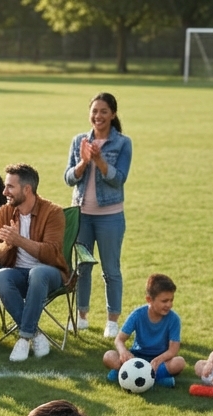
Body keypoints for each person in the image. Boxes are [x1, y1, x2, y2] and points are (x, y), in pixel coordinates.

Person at [64, 93, 132, 338]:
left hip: (110, 217)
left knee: (110, 270)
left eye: (104, 111)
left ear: (113, 114)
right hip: (82, 215)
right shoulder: (79, 140)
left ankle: (112, 320)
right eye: (94, 111)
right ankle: (81, 317)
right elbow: (68, 177)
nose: (98, 116)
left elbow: (119, 179)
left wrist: (100, 161)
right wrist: (83, 163)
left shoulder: (123, 143)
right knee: (82, 267)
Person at [0, 165, 68, 363]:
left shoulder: (53, 212)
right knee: (0, 276)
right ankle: (34, 334)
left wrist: (19, 240)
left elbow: (51, 252)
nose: (4, 192)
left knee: (38, 273)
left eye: (10, 187)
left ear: (27, 189)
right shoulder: (5, 212)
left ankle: (23, 338)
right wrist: (6, 245)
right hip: (19, 274)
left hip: (51, 275)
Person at [105, 274, 185, 387]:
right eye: (164, 301)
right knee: (108, 356)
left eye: (171, 300)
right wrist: (124, 352)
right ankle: (157, 380)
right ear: (149, 300)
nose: (169, 304)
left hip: (160, 359)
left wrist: (158, 360)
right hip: (137, 357)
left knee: (179, 362)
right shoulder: (137, 315)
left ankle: (127, 376)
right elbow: (119, 339)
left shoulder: (174, 319)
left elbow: (173, 350)